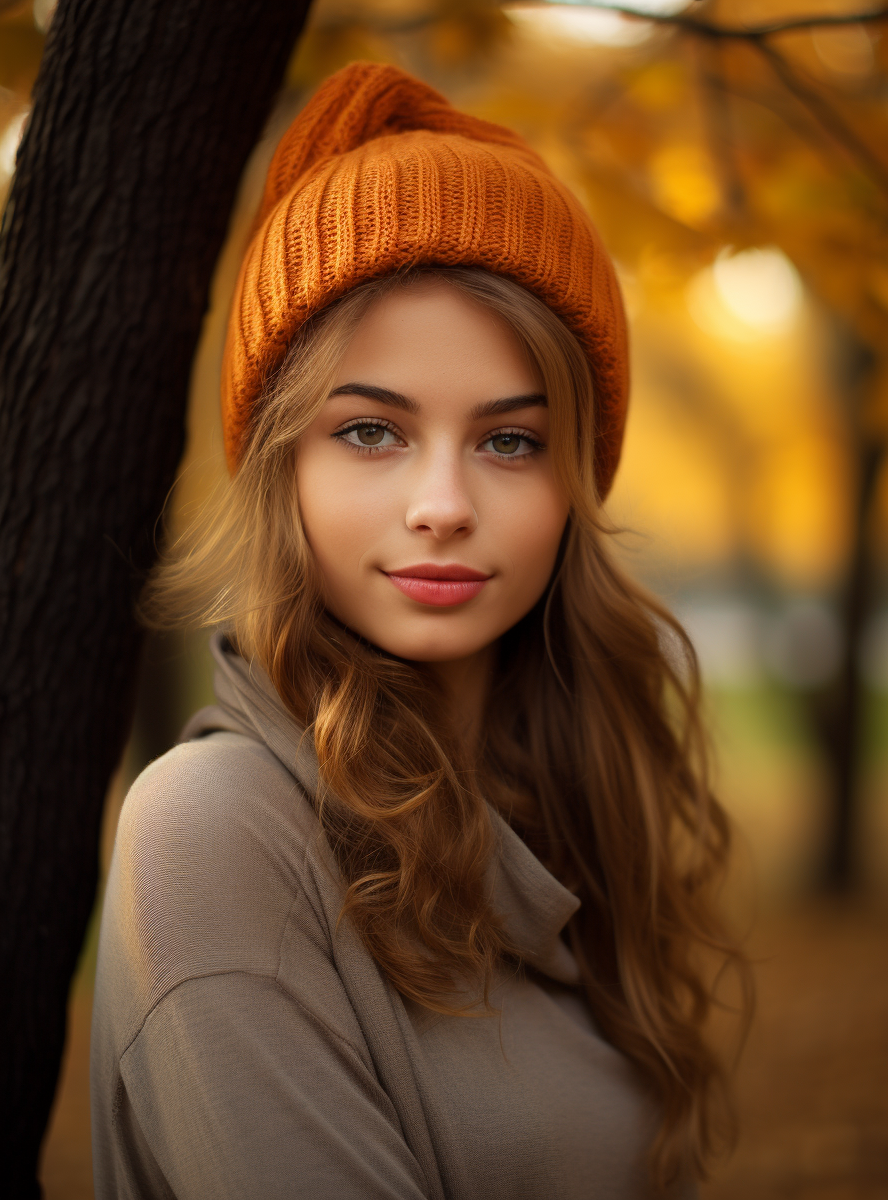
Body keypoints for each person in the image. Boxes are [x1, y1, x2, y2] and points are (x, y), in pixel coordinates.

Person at [90, 62, 747, 1200]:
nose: (442, 503)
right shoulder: (214, 835)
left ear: (573, 486)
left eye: (509, 441)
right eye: (371, 432)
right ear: (279, 463)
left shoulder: (559, 818)